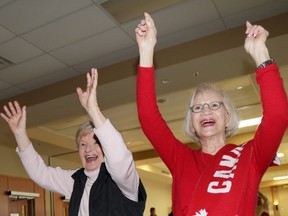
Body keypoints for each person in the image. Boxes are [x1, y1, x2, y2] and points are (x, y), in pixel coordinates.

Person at [135, 12, 288, 216]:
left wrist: (261, 53)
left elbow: (278, 115)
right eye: (197, 108)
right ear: (192, 123)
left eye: (214, 105)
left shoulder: (251, 156)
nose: (205, 110)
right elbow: (148, 118)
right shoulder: (181, 160)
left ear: (227, 117)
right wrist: (146, 52)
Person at [0, 68, 146, 215]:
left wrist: (93, 109)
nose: (88, 149)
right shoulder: (77, 181)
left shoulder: (123, 181)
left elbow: (119, 158)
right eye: (83, 144)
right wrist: (20, 134)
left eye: (95, 143)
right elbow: (40, 173)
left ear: (105, 148)